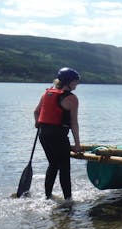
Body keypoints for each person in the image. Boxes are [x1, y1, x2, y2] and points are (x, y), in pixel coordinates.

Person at [34, 67, 82, 200]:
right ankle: (68, 200)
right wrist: (77, 144)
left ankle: (47, 196)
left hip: (43, 134)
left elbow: (36, 112)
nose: (77, 84)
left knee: (53, 164)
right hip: (58, 135)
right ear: (68, 82)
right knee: (64, 167)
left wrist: (37, 123)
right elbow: (74, 123)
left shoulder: (47, 93)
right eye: (75, 81)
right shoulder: (72, 98)